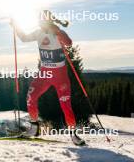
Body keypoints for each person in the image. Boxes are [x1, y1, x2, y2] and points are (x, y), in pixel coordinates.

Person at [10, 10, 85, 145]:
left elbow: (69, 42)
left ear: (49, 22)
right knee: (31, 97)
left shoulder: (56, 32)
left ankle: (74, 135)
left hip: (60, 75)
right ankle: (34, 127)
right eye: (39, 22)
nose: (41, 24)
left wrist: (57, 32)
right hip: (44, 73)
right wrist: (16, 27)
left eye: (43, 22)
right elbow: (24, 38)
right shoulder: (38, 33)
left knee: (65, 104)